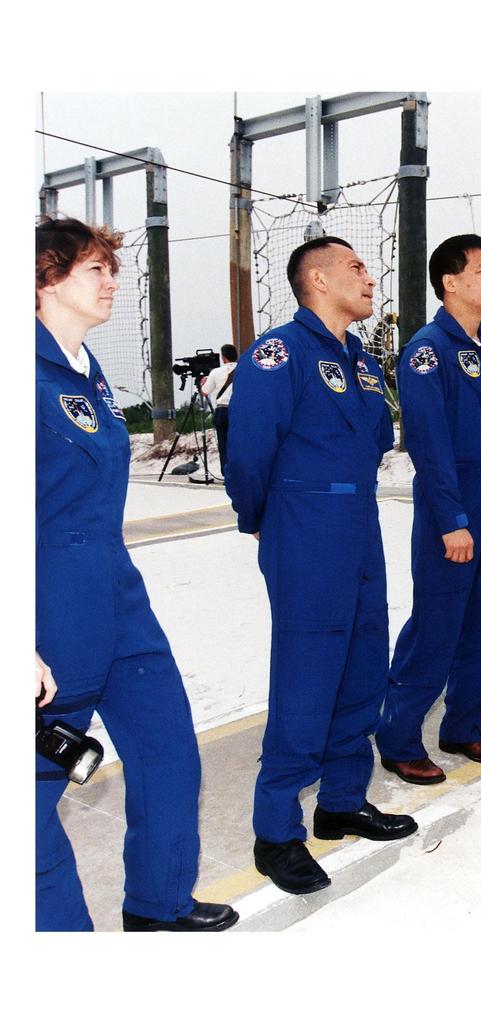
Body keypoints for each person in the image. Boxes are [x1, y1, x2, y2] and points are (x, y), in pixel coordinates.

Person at [36, 216, 238, 931]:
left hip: (116, 594)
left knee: (167, 751)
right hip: (44, 606)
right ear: (43, 279)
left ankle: (158, 904)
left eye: (111, 268)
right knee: (28, 809)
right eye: (95, 269)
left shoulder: (85, 372)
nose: (112, 280)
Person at [227, 235, 417, 895]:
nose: (370, 278)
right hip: (306, 527)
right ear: (317, 278)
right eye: (357, 268)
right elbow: (248, 452)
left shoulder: (358, 358)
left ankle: (340, 800)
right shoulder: (280, 353)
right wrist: (263, 519)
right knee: (307, 680)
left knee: (364, 668)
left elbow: (370, 440)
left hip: (357, 526)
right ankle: (276, 832)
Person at [376, 236, 481, 778]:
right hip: (456, 506)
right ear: (451, 282)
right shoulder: (427, 349)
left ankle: (465, 726)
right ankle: (397, 738)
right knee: (439, 624)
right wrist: (453, 521)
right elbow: (429, 445)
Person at [200, 342, 238, 475]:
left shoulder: (215, 372)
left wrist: (203, 382)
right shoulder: (244, 369)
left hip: (222, 410)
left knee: (224, 444)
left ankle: (227, 474)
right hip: (239, 410)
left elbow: (205, 392)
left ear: (223, 358)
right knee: (240, 443)